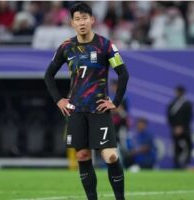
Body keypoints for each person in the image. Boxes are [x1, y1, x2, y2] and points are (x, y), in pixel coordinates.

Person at [44, 2, 129, 200]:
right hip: (76, 110)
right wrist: (59, 100)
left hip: (99, 109)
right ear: (72, 23)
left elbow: (123, 74)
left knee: (111, 156)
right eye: (77, 19)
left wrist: (115, 102)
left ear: (92, 20)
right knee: (82, 156)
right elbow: (49, 75)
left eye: (84, 18)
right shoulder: (66, 47)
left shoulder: (106, 45)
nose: (81, 22)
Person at [167, 85, 193, 169]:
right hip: (175, 129)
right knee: (176, 147)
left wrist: (182, 127)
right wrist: (174, 127)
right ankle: (177, 165)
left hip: (185, 129)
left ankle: (186, 163)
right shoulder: (172, 104)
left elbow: (189, 117)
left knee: (188, 145)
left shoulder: (188, 104)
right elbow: (169, 117)